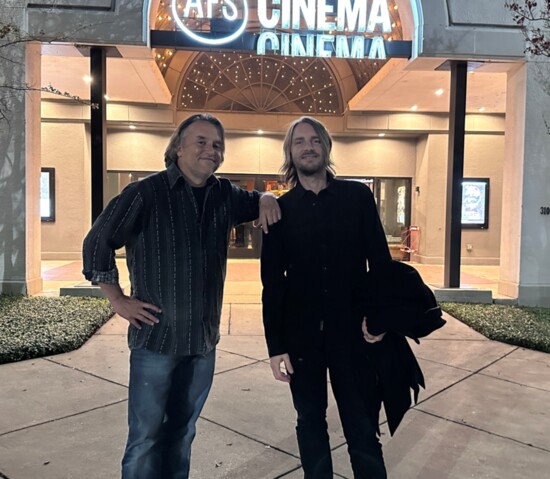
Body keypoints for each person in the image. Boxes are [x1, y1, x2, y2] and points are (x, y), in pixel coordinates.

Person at [82, 113, 280, 479]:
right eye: (201, 141)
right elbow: (97, 242)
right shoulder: (145, 193)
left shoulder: (225, 194)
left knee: (182, 433)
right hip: (156, 341)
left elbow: (259, 201)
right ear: (177, 149)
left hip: (202, 344)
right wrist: (118, 300)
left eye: (217, 145)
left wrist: (267, 194)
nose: (211, 150)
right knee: (145, 437)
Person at [261, 116, 392, 478]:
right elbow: (273, 283)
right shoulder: (279, 211)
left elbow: (380, 264)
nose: (308, 147)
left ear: (326, 147)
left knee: (362, 424)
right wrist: (275, 346)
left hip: (354, 335)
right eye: (299, 141)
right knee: (310, 422)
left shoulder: (358, 198)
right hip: (301, 338)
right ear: (290, 151)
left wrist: (379, 319)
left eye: (315, 140)